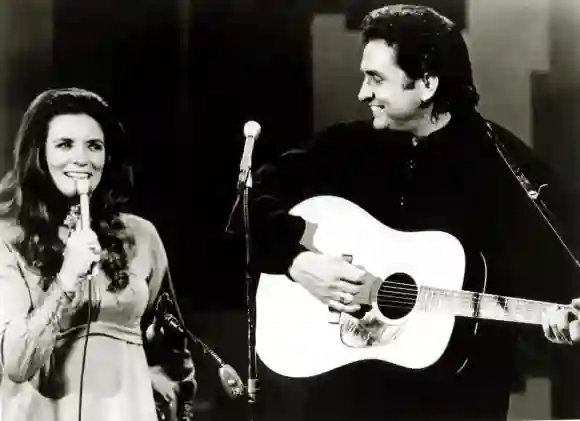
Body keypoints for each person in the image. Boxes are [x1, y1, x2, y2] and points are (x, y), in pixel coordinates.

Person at [247, 4, 578, 421]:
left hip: (456, 403)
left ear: (427, 83)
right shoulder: (344, 149)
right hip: (346, 400)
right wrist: (297, 262)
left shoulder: (505, 165)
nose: (362, 93)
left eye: (376, 79)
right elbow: (245, 203)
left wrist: (560, 317)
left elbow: (561, 264)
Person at [0, 88, 195, 421]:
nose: (82, 158)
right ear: (39, 154)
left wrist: (168, 397)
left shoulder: (141, 235)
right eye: (64, 145)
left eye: (94, 145)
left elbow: (172, 346)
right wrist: (67, 278)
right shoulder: (8, 235)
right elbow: (18, 363)